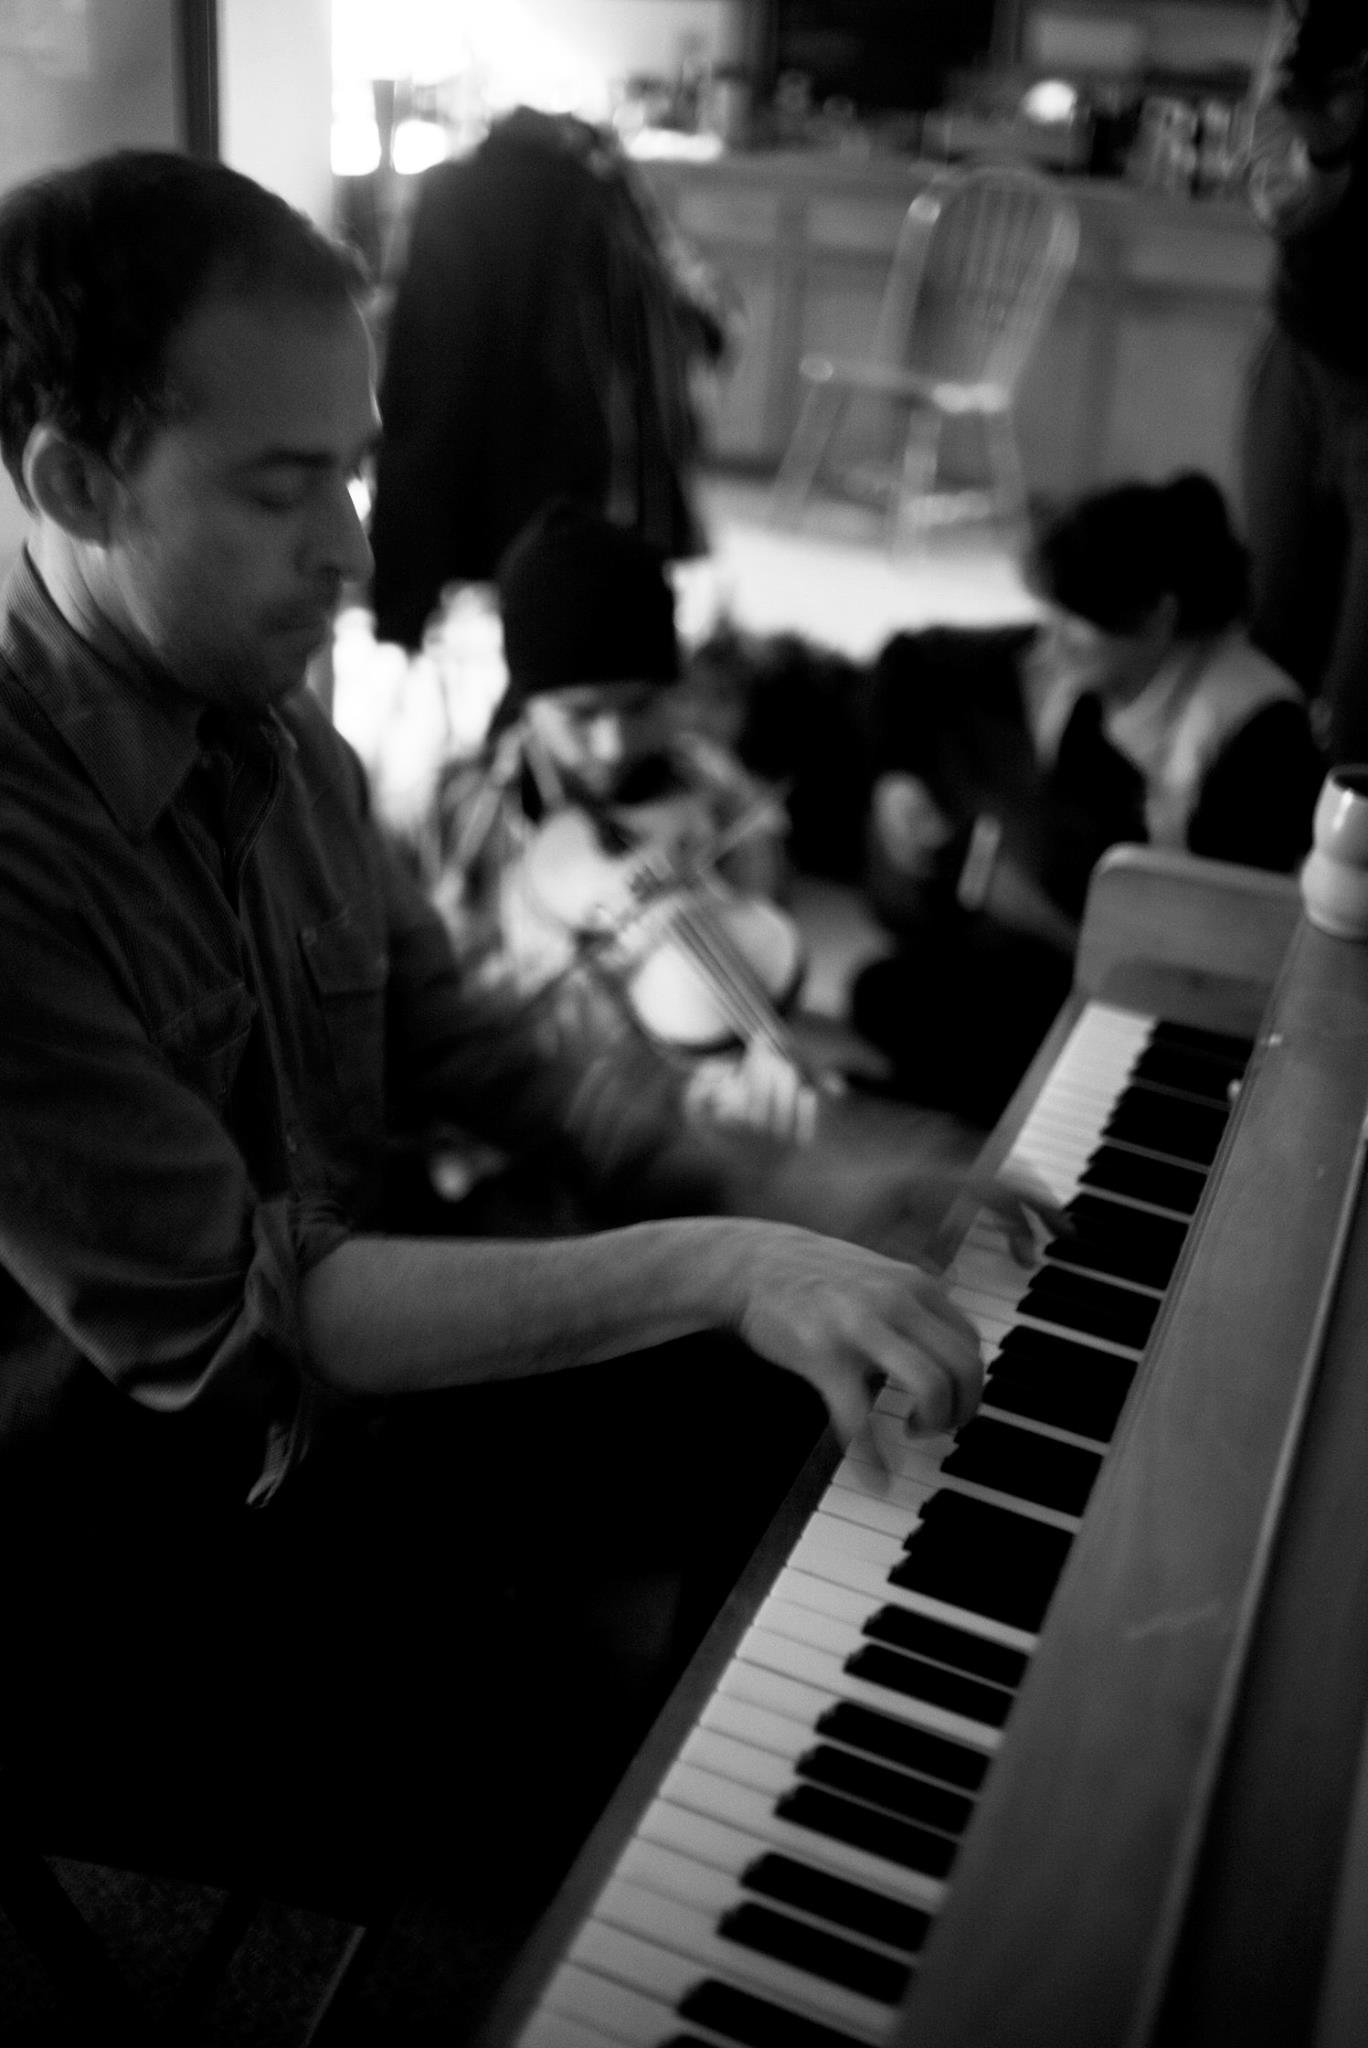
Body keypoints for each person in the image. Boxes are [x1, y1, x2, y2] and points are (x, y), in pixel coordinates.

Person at [0, 151, 1041, 1937]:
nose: (355, 548)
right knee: (655, 1804)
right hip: (121, 1544)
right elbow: (253, 1329)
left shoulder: (281, 733)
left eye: (353, 468)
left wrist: (783, 1171)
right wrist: (721, 1255)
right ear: (75, 483)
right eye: (283, 487)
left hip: (349, 1414)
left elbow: (480, 1043)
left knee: (823, 1410)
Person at [851, 471, 1321, 1123]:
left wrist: (1047, 924)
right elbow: (907, 659)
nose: (1051, 640)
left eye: (1075, 622)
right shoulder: (1077, 657)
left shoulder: (1258, 734)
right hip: (1056, 956)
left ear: (1158, 616)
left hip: (1155, 1003)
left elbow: (1217, 969)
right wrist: (896, 778)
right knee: (883, 993)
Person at [426, 493, 810, 1143]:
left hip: (678, 1119)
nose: (612, 745)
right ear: (526, 698)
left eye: (640, 706)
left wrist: (745, 1065)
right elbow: (438, 1009)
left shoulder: (718, 796)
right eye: (579, 715)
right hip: (516, 1121)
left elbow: (754, 954)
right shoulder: (463, 808)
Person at [367, 103, 732, 655]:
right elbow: (692, 333)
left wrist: (402, 596)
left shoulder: (453, 195)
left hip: (477, 483)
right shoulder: (608, 195)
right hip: (586, 487)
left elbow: (423, 368)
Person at [1242, 0, 1368, 761]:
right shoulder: (1314, 17)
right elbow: (1269, 187)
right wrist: (1324, 152)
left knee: (1358, 706)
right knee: (1269, 647)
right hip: (1305, 348)